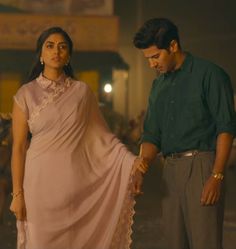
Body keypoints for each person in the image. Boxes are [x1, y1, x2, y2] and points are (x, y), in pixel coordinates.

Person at [10, 26, 146, 249]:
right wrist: (18, 194)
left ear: (69, 55)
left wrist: (131, 161)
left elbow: (103, 138)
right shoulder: (25, 94)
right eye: (50, 46)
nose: (57, 51)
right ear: (40, 54)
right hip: (38, 186)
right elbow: (18, 147)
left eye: (63, 47)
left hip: (75, 187)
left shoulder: (82, 92)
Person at [133, 18, 236, 249]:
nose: (151, 64)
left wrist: (216, 176)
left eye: (155, 57)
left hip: (201, 166)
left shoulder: (210, 75)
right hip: (169, 171)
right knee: (173, 242)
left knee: (204, 242)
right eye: (147, 59)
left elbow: (226, 128)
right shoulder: (159, 86)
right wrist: (142, 164)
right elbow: (151, 134)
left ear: (173, 46)